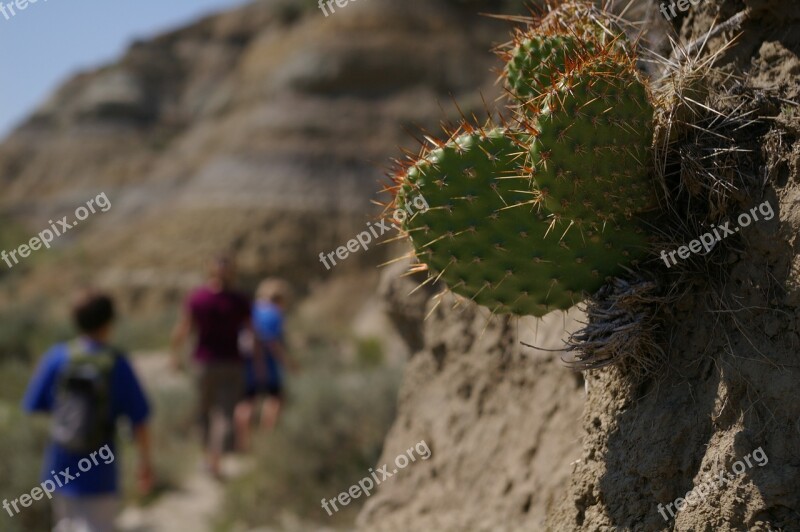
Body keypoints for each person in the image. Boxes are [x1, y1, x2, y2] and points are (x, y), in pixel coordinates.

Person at [22, 290, 152, 532]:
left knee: (65, 525)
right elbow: (140, 419)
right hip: (100, 470)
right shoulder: (117, 363)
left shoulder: (56, 357)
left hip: (60, 462)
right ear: (109, 322)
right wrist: (144, 464)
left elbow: (33, 406)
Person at [171, 255, 260, 478]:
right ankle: (215, 460)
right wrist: (258, 363)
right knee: (224, 414)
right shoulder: (239, 299)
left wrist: (174, 355)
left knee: (205, 412)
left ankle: (208, 458)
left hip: (204, 362)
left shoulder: (198, 297)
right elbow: (253, 334)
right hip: (231, 363)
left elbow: (183, 329)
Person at [235, 278, 293, 452]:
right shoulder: (274, 313)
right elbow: (272, 343)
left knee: (247, 401)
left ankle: (243, 444)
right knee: (274, 400)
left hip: (246, 364)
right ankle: (268, 440)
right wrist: (288, 362)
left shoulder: (250, 310)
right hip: (268, 365)